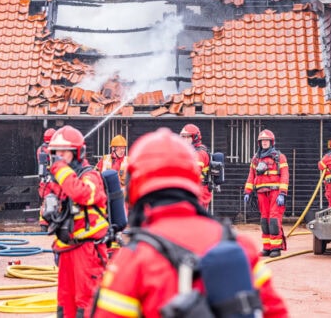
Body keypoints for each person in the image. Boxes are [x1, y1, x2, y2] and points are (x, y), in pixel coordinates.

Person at [92, 128, 288, 318]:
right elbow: (276, 311)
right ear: (194, 178)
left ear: (135, 185)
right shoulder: (239, 246)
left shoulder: (131, 260)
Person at [47, 125, 110, 318]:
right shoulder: (62, 179)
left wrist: (59, 169)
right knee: (65, 303)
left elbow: (82, 194)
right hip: (66, 249)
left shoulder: (90, 176)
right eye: (55, 153)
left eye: (63, 153)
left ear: (77, 153)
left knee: (86, 303)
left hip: (87, 250)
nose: (58, 158)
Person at [243, 129, 289, 258]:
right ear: (259, 142)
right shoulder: (256, 159)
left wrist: (282, 193)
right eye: (262, 140)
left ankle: (276, 248)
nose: (264, 142)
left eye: (266, 140)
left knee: (274, 219)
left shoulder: (279, 157)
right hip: (261, 193)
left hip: (275, 192)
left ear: (271, 142)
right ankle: (267, 247)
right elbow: (251, 175)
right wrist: (247, 191)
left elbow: (285, 175)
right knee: (264, 220)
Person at [179, 123, 212, 209]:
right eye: (183, 137)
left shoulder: (199, 153)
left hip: (199, 192)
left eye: (187, 137)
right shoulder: (189, 152)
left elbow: (194, 172)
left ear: (195, 138)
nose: (184, 140)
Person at [37, 128, 57, 231]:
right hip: (54, 180)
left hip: (43, 181)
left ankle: (44, 224)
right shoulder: (56, 150)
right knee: (56, 202)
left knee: (45, 202)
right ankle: (54, 223)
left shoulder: (40, 149)